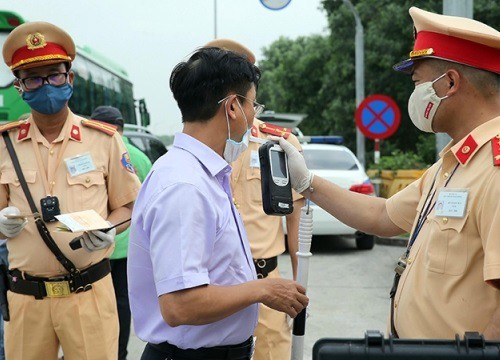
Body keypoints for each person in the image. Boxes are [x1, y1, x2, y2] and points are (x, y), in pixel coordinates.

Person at [278, 6, 500, 340]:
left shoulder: (494, 168)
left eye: (418, 83)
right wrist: (307, 183)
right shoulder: (454, 163)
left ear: (451, 82)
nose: (414, 94)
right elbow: (383, 215)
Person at [128, 47, 309, 360]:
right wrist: (263, 289)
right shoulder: (185, 186)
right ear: (233, 108)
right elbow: (180, 305)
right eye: (254, 104)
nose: (255, 116)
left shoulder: (202, 174)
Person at [0, 21, 141, 359]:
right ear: (19, 87)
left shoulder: (104, 140)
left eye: (54, 75)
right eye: (33, 78)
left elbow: (130, 205)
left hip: (88, 294)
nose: (45, 85)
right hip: (26, 297)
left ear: (70, 78)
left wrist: (110, 228)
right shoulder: (4, 144)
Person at [205, 38, 304, 359]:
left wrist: (301, 285)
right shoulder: (197, 149)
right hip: (212, 290)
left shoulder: (279, 146)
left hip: (267, 283)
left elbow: (296, 221)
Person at [91, 105, 152, 360]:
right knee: (123, 301)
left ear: (112, 128)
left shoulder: (97, 153)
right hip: (129, 246)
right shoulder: (141, 157)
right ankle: (120, 352)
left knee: (100, 305)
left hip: (100, 243)